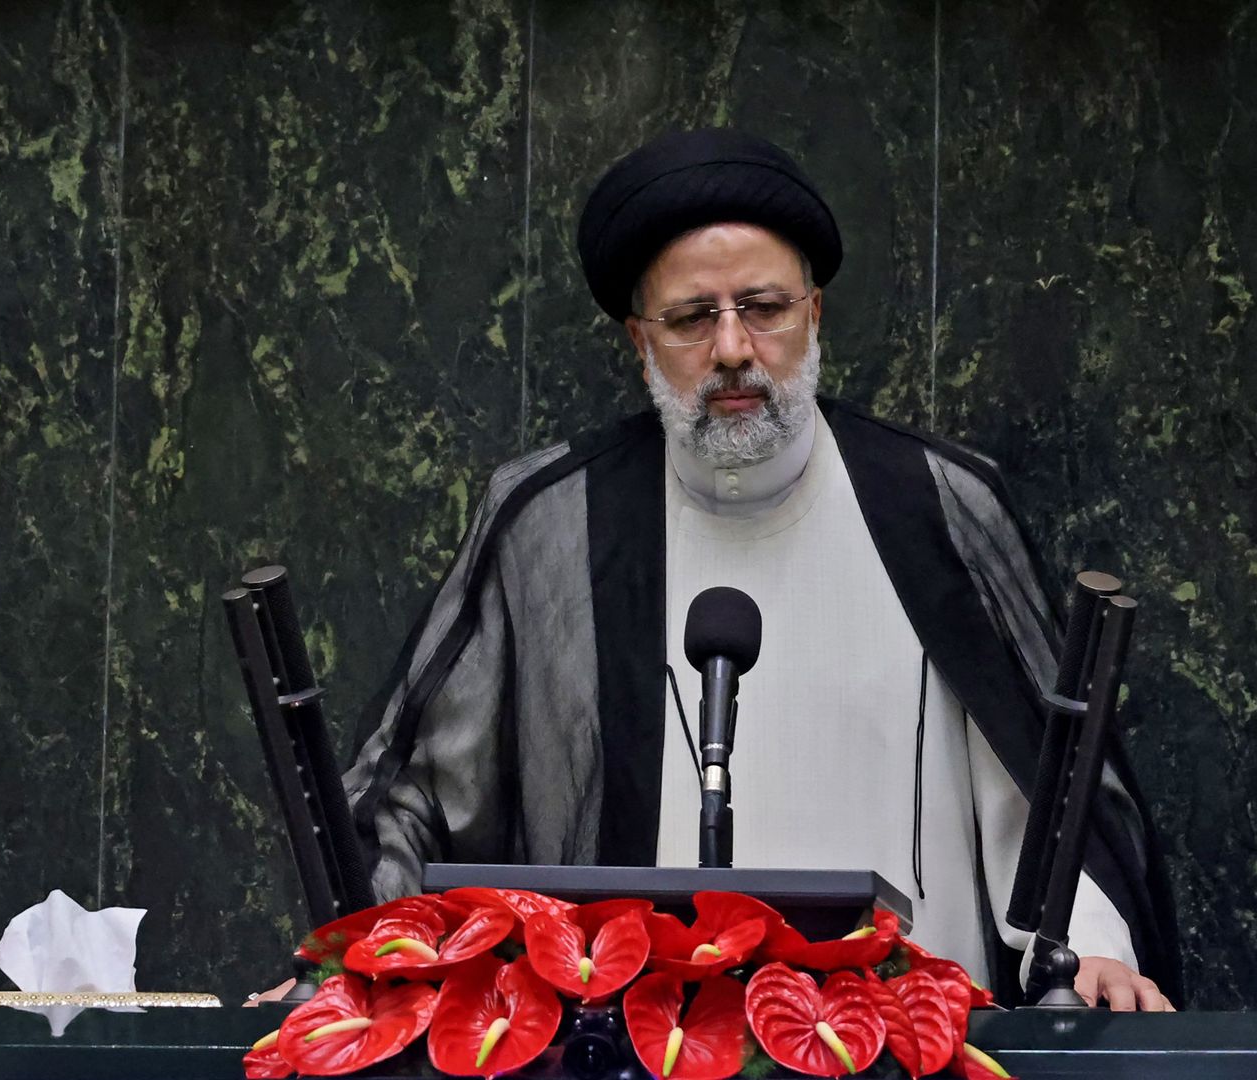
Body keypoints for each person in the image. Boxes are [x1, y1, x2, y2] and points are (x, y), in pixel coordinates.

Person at [341, 129, 1181, 1010]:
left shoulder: (937, 502)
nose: (734, 347)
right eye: (691, 318)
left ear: (814, 314)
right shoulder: (551, 520)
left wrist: (1090, 951)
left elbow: (1045, 796)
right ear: (639, 341)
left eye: (764, 307)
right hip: (639, 1043)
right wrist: (353, 965)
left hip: (916, 1042)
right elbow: (417, 794)